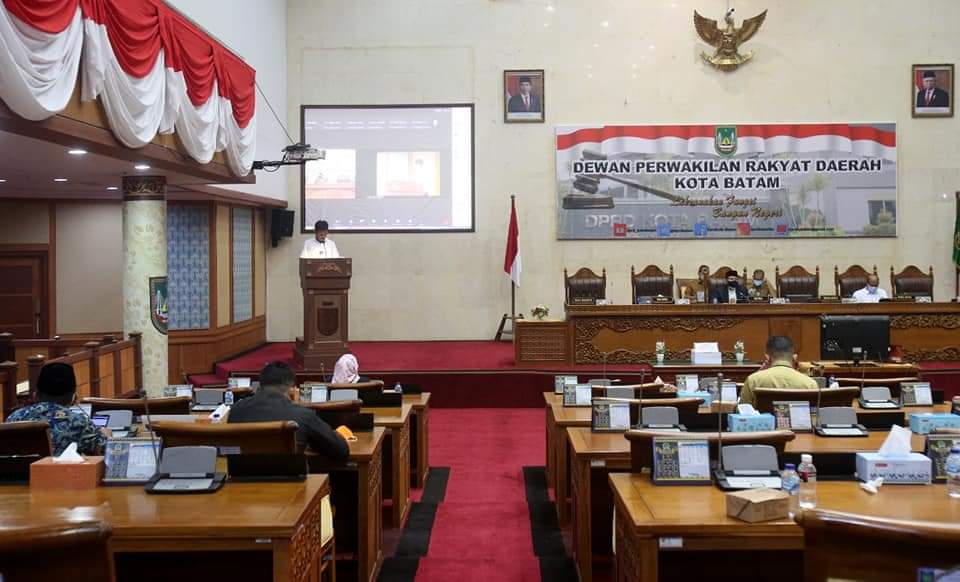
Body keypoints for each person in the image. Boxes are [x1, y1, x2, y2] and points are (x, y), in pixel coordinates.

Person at [228, 361, 349, 461]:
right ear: (292, 389)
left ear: (260, 385)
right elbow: (341, 451)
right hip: (289, 482)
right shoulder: (303, 415)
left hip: (240, 480)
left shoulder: (236, 411)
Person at [5, 363, 109, 455]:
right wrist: (106, 435)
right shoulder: (78, 423)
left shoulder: (14, 418)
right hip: (62, 471)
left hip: (19, 472)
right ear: (74, 397)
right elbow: (106, 451)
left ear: (35, 395)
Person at [739, 336, 818, 407]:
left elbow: (743, 411)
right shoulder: (810, 384)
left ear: (767, 358)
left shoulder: (753, 380)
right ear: (794, 358)